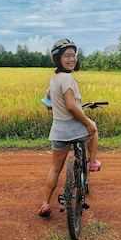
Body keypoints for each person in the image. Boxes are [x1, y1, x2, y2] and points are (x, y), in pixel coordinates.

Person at [38, 38, 101, 217]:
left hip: (58, 130)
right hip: (75, 129)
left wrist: (51, 106)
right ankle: (93, 162)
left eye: (74, 55)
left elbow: (47, 99)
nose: (72, 59)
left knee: (55, 168)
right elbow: (72, 106)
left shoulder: (54, 78)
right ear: (58, 58)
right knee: (93, 127)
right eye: (67, 55)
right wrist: (87, 123)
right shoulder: (67, 79)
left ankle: (45, 203)